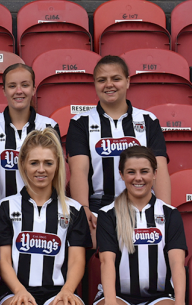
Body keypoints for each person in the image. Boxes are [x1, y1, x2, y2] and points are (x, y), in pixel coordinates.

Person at [0, 128, 92, 305]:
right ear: (22, 165)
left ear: (57, 165)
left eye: (48, 163)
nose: (41, 170)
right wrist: (19, 291)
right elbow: (3, 259)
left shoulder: (73, 209)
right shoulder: (5, 207)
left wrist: (67, 291)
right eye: (34, 163)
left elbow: (77, 260)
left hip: (58, 291)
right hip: (14, 292)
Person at [94, 146, 188, 305]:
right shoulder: (108, 215)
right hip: (117, 297)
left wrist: (180, 304)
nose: (138, 178)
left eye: (144, 171)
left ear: (155, 174)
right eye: (131, 172)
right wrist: (110, 302)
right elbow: (106, 262)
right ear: (121, 174)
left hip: (158, 299)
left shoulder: (169, 214)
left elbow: (177, 264)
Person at [67, 55, 169, 243]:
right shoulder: (80, 123)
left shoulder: (148, 120)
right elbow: (78, 170)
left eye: (116, 78)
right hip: (99, 205)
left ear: (128, 81)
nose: (109, 85)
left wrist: (164, 211)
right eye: (102, 80)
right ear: (95, 84)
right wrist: (84, 209)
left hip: (142, 203)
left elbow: (160, 168)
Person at [0, 64, 60, 214]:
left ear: (34, 89)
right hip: (2, 210)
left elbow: (55, 172)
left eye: (25, 85)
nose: (19, 91)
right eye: (12, 86)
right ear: (4, 90)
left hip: (40, 211)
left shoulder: (49, 126)